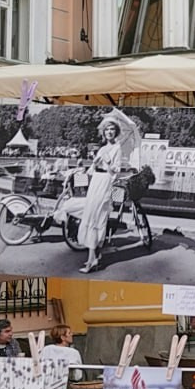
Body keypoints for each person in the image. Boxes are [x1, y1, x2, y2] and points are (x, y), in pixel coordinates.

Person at [78, 116, 124, 273]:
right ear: (103, 132)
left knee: (97, 217)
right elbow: (92, 169)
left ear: (116, 132)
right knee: (90, 215)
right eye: (107, 129)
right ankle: (94, 258)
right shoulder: (102, 148)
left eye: (112, 129)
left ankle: (92, 260)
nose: (109, 132)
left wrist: (108, 164)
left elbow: (115, 172)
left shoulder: (117, 148)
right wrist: (93, 163)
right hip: (96, 181)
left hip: (105, 182)